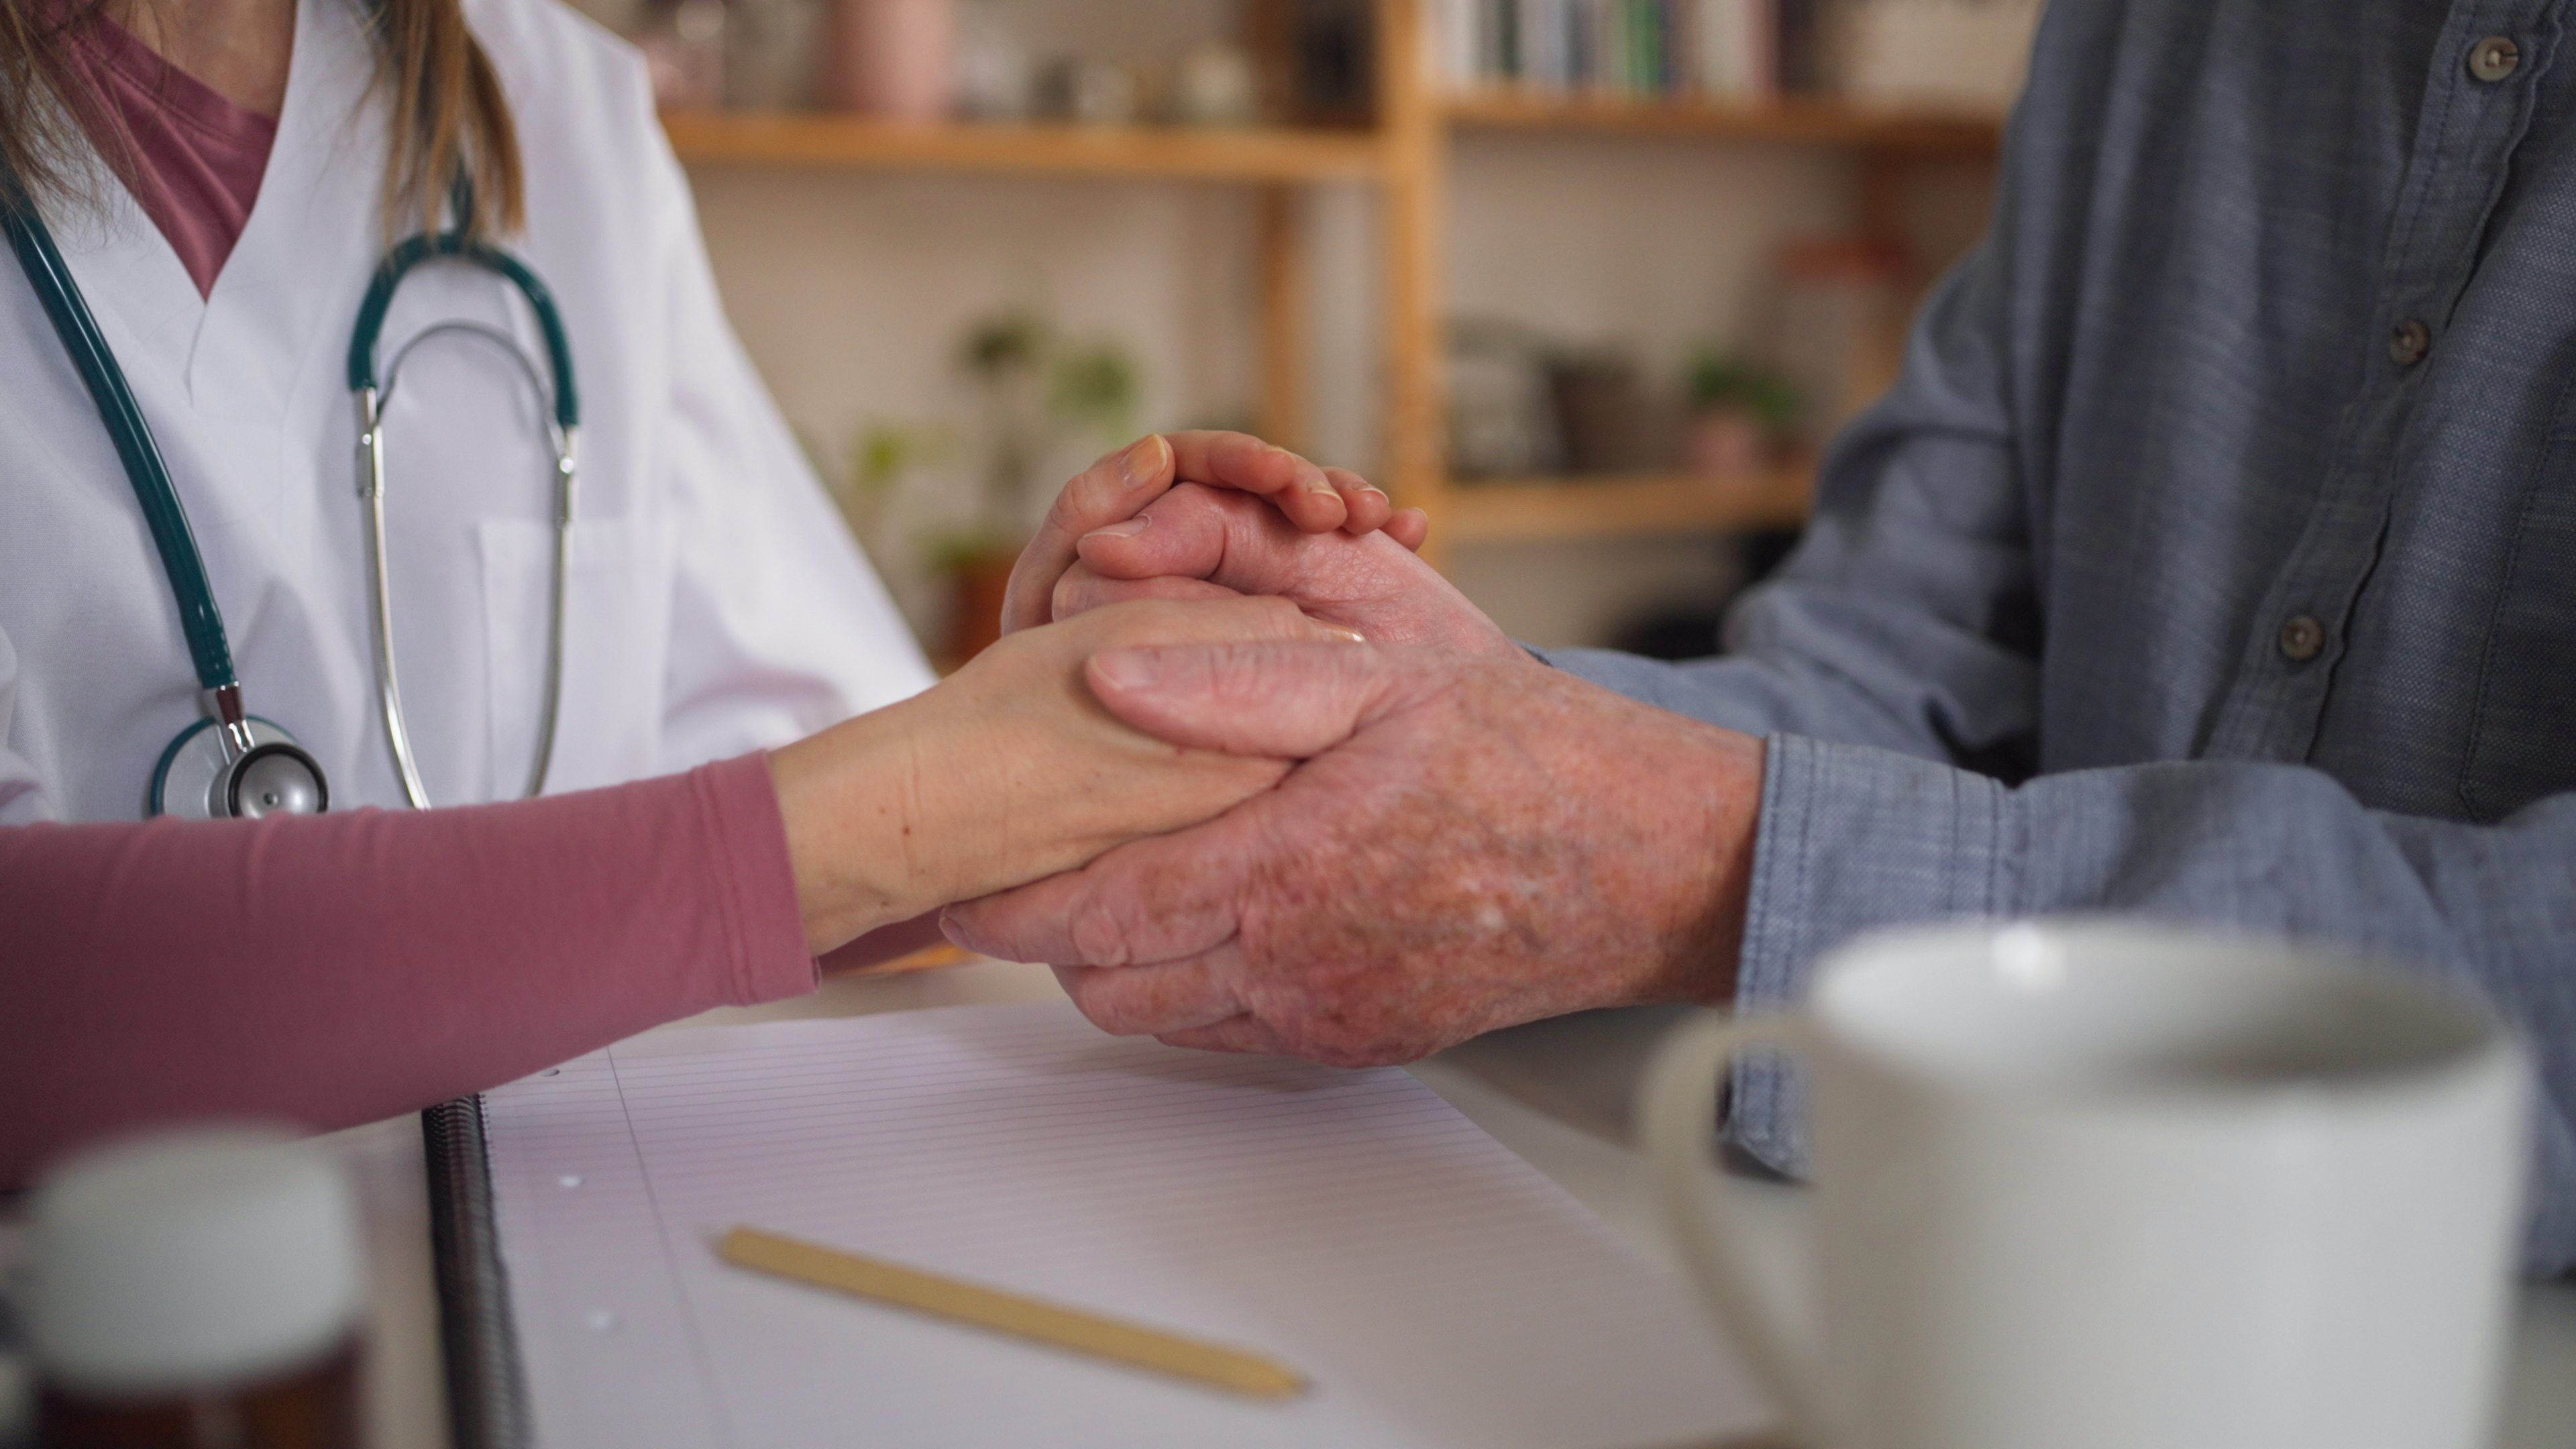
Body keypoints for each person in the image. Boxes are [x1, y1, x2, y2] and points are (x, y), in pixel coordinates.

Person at [952, 0, 2576, 1276]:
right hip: (1968, 1284)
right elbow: (1886, 665)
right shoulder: (2139, 28)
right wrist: (1417, 700)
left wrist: (1673, 857)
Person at [0, 0, 1415, 1181]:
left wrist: (1092, 699)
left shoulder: (562, 105)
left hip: (574, 1234)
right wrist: (930, 802)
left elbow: (793, 768)